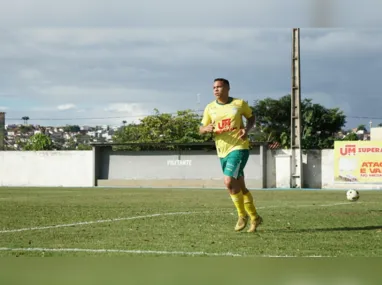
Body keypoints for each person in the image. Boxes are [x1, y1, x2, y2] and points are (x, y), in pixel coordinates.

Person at [199, 78, 263, 233]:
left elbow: (251, 117)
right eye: (214, 87)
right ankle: (255, 217)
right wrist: (205, 129)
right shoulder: (210, 108)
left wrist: (246, 130)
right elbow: (201, 128)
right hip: (222, 151)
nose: (216, 89)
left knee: (228, 181)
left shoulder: (239, 104)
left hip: (239, 147)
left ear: (227, 88)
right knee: (239, 186)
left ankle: (242, 216)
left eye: (219, 87)